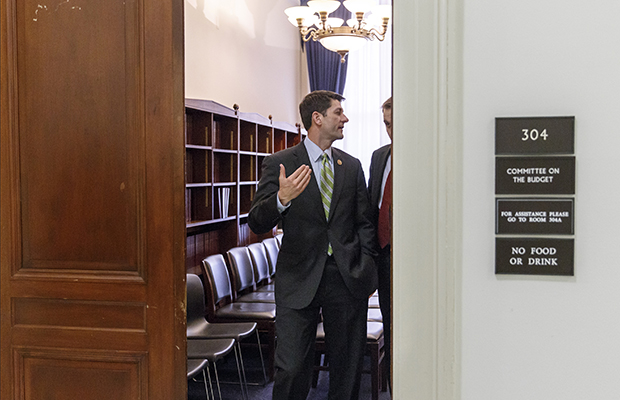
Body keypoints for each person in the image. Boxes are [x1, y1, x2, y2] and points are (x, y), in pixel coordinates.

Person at [248, 90, 377, 400]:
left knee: (346, 369)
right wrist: (281, 199)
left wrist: (366, 265)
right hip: (298, 278)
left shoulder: (352, 166)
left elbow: (364, 223)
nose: (345, 118)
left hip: (345, 278)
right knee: (291, 368)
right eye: (338, 113)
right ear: (317, 118)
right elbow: (256, 221)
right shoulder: (279, 163)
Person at [367, 96, 392, 392]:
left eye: (396, 123)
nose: (391, 130)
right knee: (391, 325)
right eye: (386, 124)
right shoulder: (379, 156)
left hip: (415, 259)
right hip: (384, 258)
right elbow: (371, 209)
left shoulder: (427, 153)